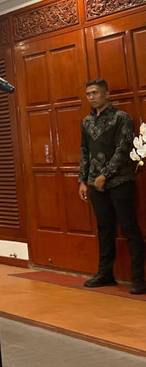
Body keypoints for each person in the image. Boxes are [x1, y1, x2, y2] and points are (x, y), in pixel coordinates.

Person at [79, 78, 146, 295]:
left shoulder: (121, 118)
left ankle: (139, 278)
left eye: (95, 93)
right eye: (88, 93)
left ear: (107, 94)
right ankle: (105, 274)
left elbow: (123, 148)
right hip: (94, 185)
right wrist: (83, 180)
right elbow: (84, 151)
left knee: (129, 228)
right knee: (104, 229)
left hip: (120, 181)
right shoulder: (86, 121)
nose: (92, 97)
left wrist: (104, 176)